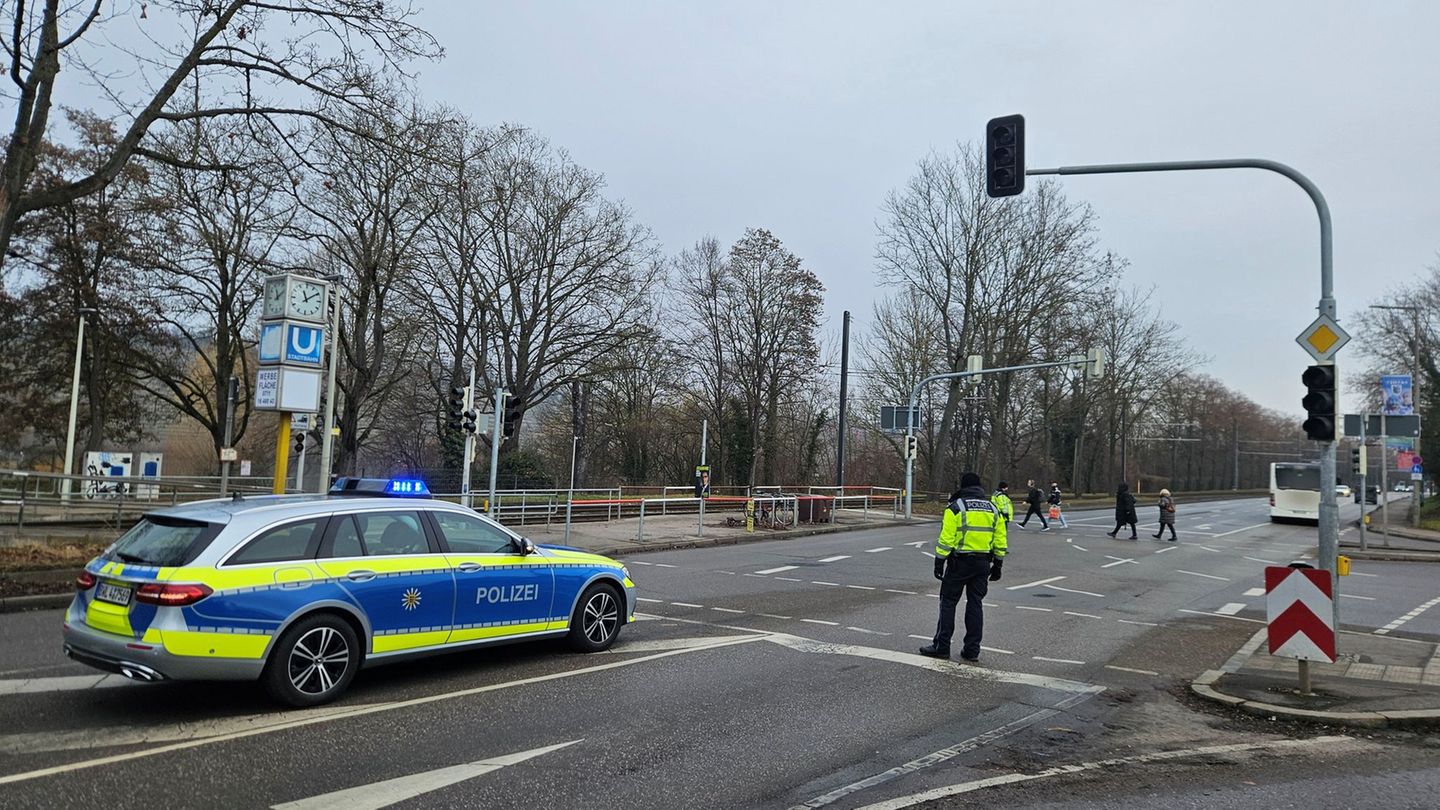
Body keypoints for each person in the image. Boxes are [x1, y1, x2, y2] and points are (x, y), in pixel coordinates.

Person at [919, 472, 1007, 662]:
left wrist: (939, 561)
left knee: (948, 603)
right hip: (983, 563)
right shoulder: (993, 509)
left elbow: (946, 538)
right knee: (976, 604)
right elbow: (1000, 539)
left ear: (963, 487)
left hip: (959, 563)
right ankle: (972, 649)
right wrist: (998, 563)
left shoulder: (956, 507)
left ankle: (942, 646)